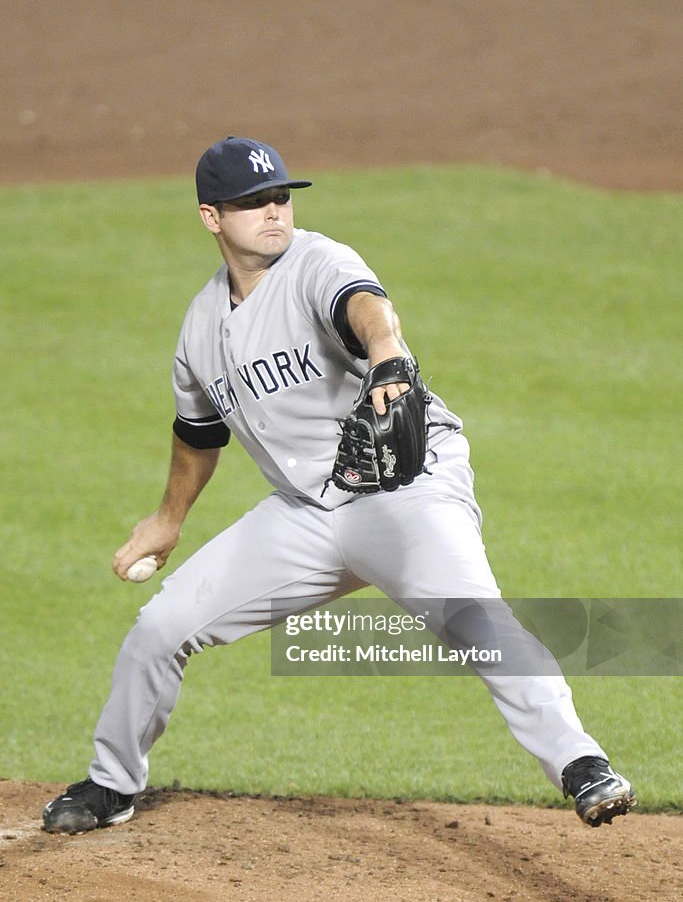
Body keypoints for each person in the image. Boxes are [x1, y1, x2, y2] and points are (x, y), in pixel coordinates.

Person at [43, 136, 635, 835]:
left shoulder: (318, 262)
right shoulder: (200, 328)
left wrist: (386, 357)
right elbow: (198, 434)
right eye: (250, 203)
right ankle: (111, 785)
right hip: (304, 515)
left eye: (280, 197)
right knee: (160, 628)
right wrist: (168, 518)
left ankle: (580, 764)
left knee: (474, 618)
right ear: (211, 217)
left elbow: (365, 307)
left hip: (403, 492)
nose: (272, 212)